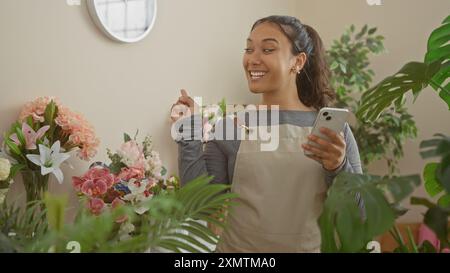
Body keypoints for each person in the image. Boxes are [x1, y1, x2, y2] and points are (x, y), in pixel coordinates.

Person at [170, 15, 362, 253]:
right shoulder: (231, 127)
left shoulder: (334, 131)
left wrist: (338, 167)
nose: (253, 59)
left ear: (298, 61)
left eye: (268, 49)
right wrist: (188, 132)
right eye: (249, 49)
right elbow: (200, 206)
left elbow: (358, 216)